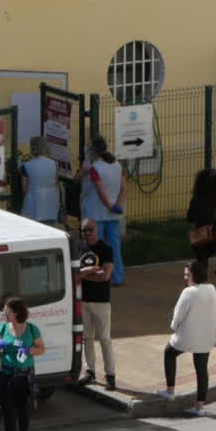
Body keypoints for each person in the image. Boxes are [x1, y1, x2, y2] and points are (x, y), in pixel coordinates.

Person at [156, 260, 216, 417]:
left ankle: (170, 391)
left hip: (188, 336)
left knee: (169, 352)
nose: (185, 278)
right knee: (201, 369)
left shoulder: (189, 292)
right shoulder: (212, 288)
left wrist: (174, 327)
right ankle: (200, 407)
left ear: (195, 275)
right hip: (207, 336)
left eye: (187, 274)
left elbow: (178, 315)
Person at [0, 297, 45, 431]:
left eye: (6, 312)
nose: (4, 315)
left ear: (15, 313)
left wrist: (29, 351)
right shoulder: (2, 328)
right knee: (7, 409)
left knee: (23, 409)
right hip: (6, 374)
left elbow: (41, 349)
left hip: (23, 375)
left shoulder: (31, 329)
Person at [79, 136, 127, 286]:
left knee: (94, 246)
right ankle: (117, 277)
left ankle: (95, 275)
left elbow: (100, 191)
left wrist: (108, 205)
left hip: (95, 212)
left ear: (93, 150)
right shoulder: (117, 165)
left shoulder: (95, 168)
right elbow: (124, 188)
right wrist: (116, 205)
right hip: (113, 213)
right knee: (114, 246)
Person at [78, 218, 116, 390]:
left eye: (90, 229)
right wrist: (89, 272)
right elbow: (75, 275)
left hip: (101, 301)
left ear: (97, 230)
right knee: (87, 338)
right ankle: (90, 371)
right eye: (84, 230)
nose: (87, 233)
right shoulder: (80, 247)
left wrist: (84, 274)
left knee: (104, 338)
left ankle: (110, 375)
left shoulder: (105, 248)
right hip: (83, 299)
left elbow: (105, 275)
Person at [187, 168, 216, 268]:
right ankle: (203, 268)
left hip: (201, 234)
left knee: (201, 255)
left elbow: (190, 216)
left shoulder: (197, 197)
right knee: (207, 253)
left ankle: (201, 274)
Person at [21, 136, 61, 225]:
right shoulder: (54, 164)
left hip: (33, 204)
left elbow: (24, 189)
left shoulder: (26, 166)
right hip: (50, 201)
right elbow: (56, 183)